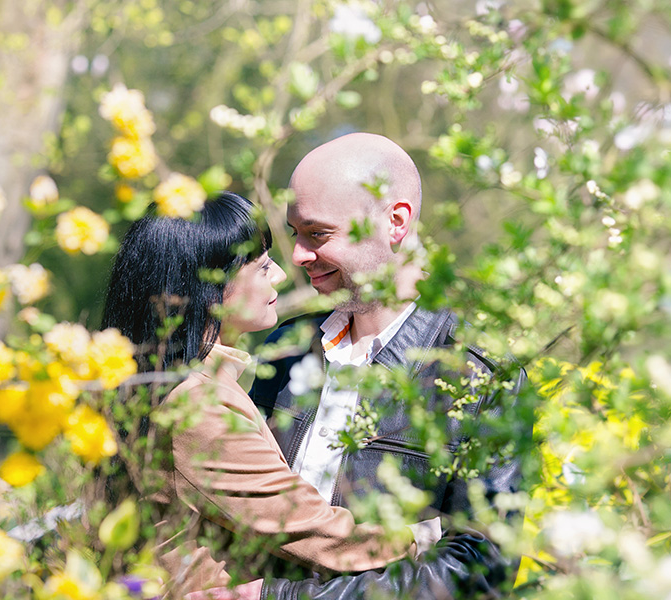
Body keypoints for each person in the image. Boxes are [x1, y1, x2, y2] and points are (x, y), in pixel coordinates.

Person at [101, 191, 442, 598]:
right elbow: (309, 529)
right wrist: (427, 537)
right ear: (210, 289)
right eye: (262, 267)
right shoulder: (197, 405)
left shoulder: (180, 382)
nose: (280, 274)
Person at [250, 132, 529, 599]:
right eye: (295, 234)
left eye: (317, 233)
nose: (297, 255)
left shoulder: (480, 375)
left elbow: (481, 571)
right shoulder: (286, 347)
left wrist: (279, 597)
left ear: (395, 222)